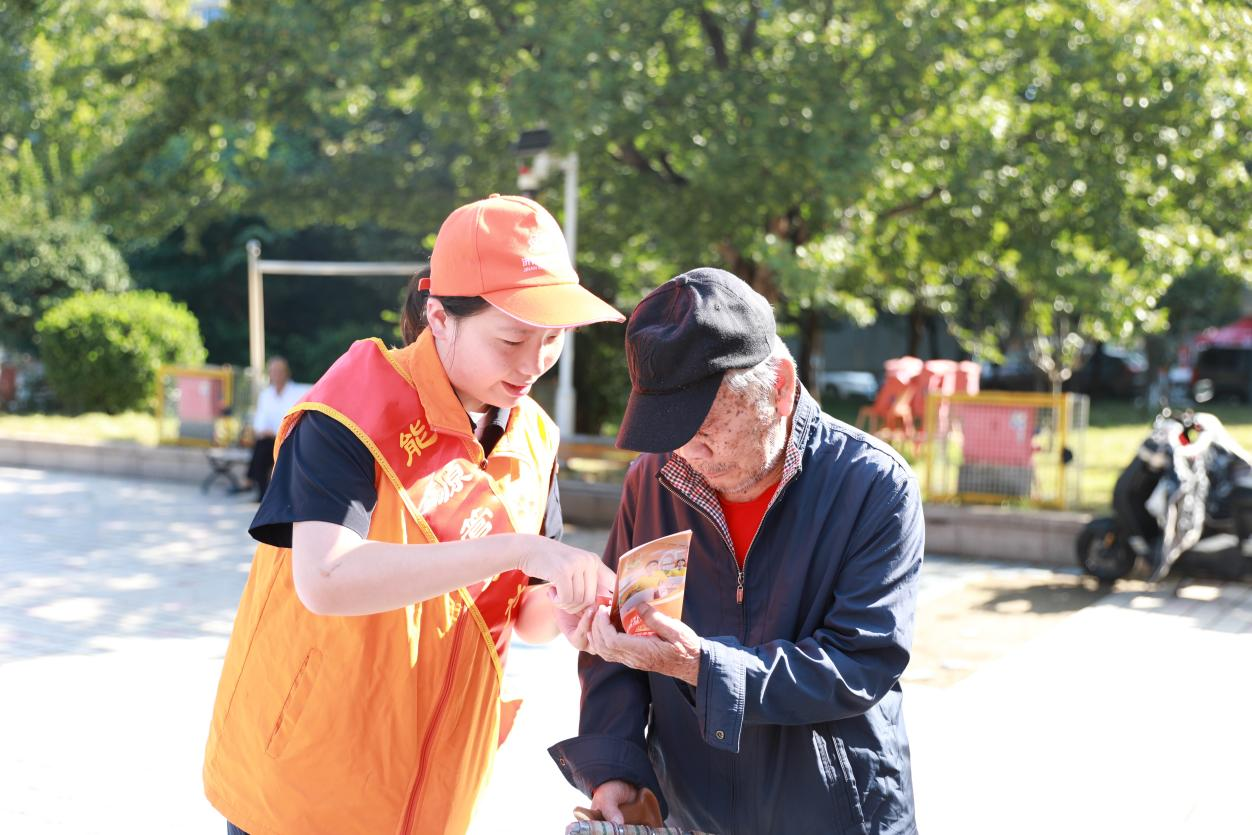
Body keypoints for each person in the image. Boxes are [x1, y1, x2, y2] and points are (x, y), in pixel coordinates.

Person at [203, 194, 624, 835]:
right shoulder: (352, 407)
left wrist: (578, 611)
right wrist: (521, 551)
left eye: (553, 340)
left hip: (438, 787)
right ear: (441, 318)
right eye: (512, 338)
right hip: (307, 787)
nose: (533, 362)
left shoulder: (535, 438)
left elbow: (528, 614)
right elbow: (327, 580)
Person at [550, 268, 924, 835]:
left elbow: (859, 663)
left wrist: (703, 666)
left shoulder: (872, 484)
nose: (688, 451)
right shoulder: (652, 479)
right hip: (692, 813)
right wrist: (616, 770)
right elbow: (620, 644)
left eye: (707, 427)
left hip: (836, 815)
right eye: (669, 428)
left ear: (778, 386)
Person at [240, 356, 307, 500]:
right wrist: (265, 431)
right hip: (270, 439)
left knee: (261, 450)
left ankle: (251, 482)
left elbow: (294, 420)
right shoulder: (266, 395)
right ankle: (262, 492)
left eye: (279, 371)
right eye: (273, 371)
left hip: (290, 439)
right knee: (261, 448)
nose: (276, 374)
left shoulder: (297, 392)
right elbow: (260, 421)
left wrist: (276, 432)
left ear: (286, 373)